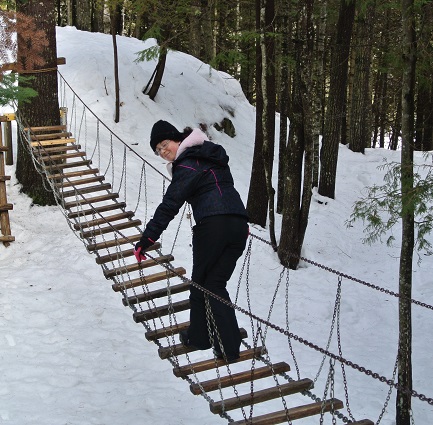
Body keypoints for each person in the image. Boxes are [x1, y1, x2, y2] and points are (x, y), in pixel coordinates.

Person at [134, 119, 249, 362]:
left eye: (165, 145)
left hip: (212, 226)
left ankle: (201, 338)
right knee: (215, 283)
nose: (164, 152)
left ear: (178, 139)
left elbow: (169, 205)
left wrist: (147, 239)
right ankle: (226, 345)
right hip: (238, 224)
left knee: (200, 284)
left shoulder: (187, 164)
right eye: (159, 151)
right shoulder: (211, 155)